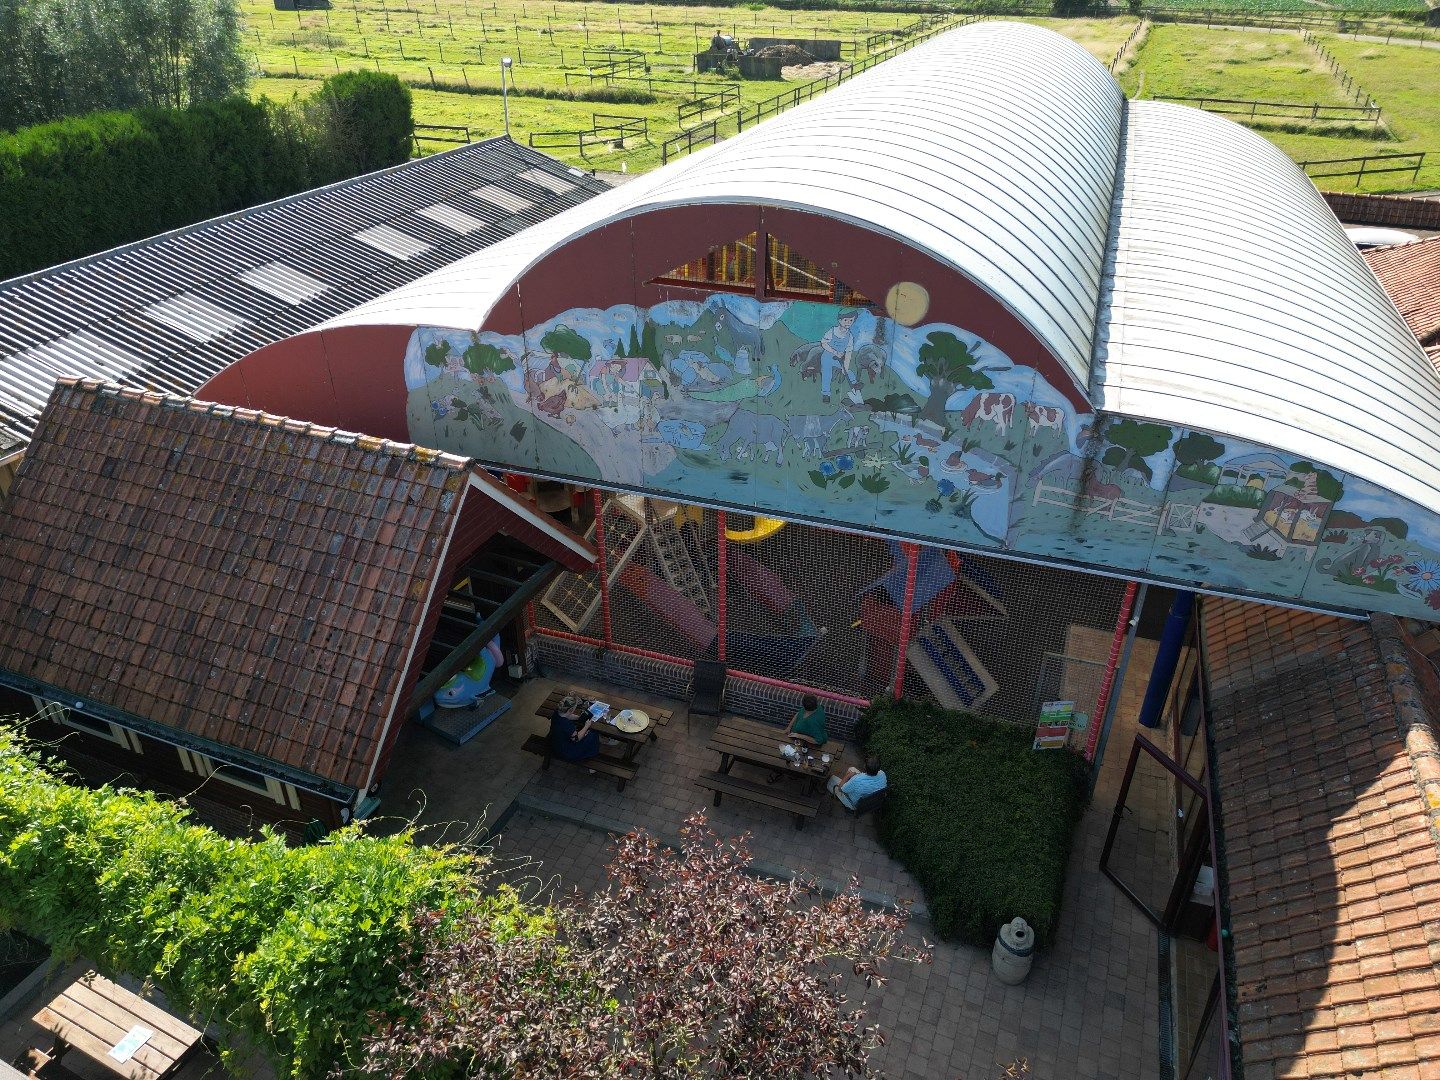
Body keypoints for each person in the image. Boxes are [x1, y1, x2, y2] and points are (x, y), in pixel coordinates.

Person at [548, 694, 599, 762]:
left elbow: (568, 716)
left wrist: (578, 717)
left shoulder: (557, 712)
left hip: (555, 743)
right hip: (566, 752)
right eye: (574, 708)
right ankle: (590, 757)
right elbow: (576, 739)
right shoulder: (566, 724)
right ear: (570, 710)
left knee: (585, 733)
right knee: (593, 735)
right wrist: (586, 726)